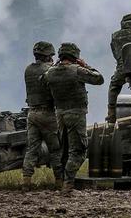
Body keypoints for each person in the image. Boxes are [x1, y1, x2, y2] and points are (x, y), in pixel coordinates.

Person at [43, 42, 104, 191]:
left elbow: (43, 82)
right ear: (75, 57)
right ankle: (68, 183)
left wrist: (55, 66)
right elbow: (99, 79)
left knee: (63, 150)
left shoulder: (50, 72)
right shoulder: (77, 70)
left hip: (60, 115)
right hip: (76, 114)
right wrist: (86, 65)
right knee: (78, 150)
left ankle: (62, 180)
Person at [22, 41, 63, 190]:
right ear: (48, 56)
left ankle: (26, 181)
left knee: (32, 149)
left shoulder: (28, 69)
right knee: (55, 149)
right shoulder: (50, 69)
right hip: (47, 113)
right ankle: (59, 182)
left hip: (32, 113)